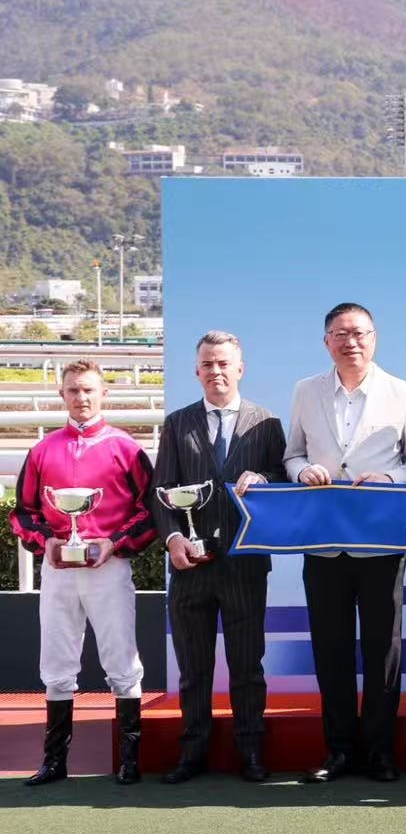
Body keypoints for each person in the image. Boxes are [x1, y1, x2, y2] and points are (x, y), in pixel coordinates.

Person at [284, 303, 406, 784]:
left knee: (383, 649)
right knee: (331, 649)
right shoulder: (305, 390)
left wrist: (390, 478)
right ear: (327, 341)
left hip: (380, 541)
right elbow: (292, 453)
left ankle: (380, 751)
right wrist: (302, 471)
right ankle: (340, 750)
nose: (351, 342)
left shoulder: (403, 392)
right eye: (340, 334)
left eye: (360, 333)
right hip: (323, 542)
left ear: (375, 338)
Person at [13, 360, 157, 786]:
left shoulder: (126, 448)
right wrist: (47, 542)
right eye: (74, 390)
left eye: (89, 390)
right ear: (62, 394)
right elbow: (24, 512)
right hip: (58, 567)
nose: (81, 397)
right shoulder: (42, 450)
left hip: (109, 566)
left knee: (121, 658)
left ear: (103, 394)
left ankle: (130, 760)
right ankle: (54, 762)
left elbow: (150, 510)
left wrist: (114, 543)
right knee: (56, 661)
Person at [151, 332, 285, 784]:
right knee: (194, 669)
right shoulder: (177, 423)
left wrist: (264, 479)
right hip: (190, 567)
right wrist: (173, 540)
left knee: (247, 666)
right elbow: (161, 491)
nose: (216, 371)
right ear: (196, 371)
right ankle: (193, 752)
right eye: (208, 364)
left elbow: (284, 480)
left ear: (240, 369)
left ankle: (252, 751)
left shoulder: (267, 423)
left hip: (245, 566)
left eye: (224, 363)